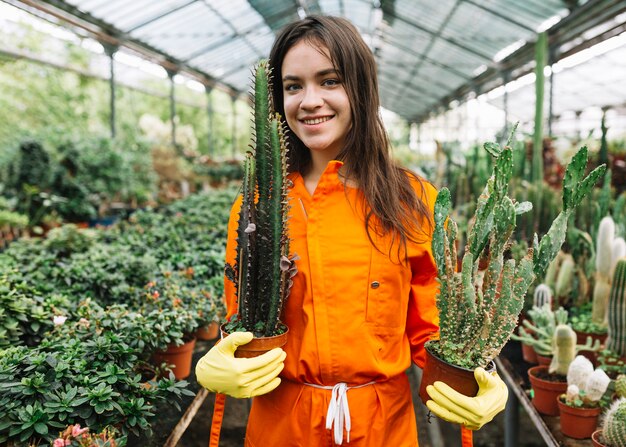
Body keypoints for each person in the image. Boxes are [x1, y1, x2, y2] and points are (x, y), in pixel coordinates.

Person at [196, 15, 508, 447]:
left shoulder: (414, 200)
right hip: (282, 425)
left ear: (360, 89)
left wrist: (482, 376)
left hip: (382, 425)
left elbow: (434, 329)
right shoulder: (259, 204)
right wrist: (216, 359)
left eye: (329, 81)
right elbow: (243, 319)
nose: (309, 101)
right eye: (292, 86)